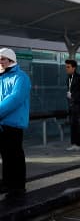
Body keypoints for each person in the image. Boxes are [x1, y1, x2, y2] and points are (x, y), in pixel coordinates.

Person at [0, 48, 31, 200]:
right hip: (2, 122)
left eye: (3, 59)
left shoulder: (21, 77)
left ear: (11, 60)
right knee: (5, 154)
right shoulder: (1, 77)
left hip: (14, 123)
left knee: (15, 155)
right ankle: (7, 183)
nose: (0, 62)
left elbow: (15, 99)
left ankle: (18, 186)